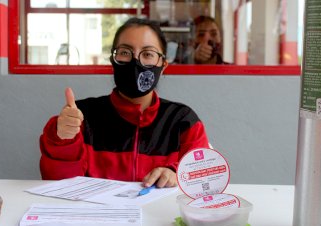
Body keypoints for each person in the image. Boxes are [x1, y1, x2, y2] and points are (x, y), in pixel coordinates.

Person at [39, 18, 210, 188]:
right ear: (113, 60)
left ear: (163, 65)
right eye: (125, 52)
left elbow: (204, 176)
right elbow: (59, 186)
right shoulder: (81, 116)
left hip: (160, 214)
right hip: (96, 214)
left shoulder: (183, 120)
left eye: (148, 54)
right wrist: (63, 140)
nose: (135, 61)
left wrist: (175, 173)